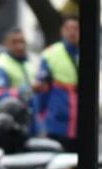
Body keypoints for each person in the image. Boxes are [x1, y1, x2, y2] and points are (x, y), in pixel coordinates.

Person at [34, 15, 79, 151]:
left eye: (76, 28)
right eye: (68, 28)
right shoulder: (51, 53)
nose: (72, 32)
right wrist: (41, 114)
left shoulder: (90, 52)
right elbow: (42, 87)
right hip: (58, 115)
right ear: (62, 31)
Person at [0, 28, 34, 109]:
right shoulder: (0, 65)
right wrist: (22, 91)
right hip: (9, 114)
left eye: (22, 41)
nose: (20, 46)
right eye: (14, 42)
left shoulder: (30, 62)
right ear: (6, 44)